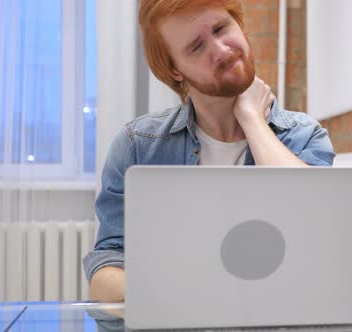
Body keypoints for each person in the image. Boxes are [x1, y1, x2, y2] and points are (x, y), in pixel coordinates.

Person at [84, 0, 336, 302]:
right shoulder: (137, 145)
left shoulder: (305, 136)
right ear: (175, 70)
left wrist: (253, 120)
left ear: (239, 25)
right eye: (196, 47)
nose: (221, 50)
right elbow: (105, 271)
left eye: (221, 28)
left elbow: (316, 231)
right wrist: (188, 300)